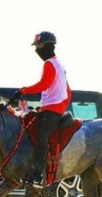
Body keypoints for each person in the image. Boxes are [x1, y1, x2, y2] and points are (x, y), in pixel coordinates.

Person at [11, 31, 72, 188]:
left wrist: (22, 91)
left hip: (52, 110)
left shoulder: (50, 64)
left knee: (41, 138)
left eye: (38, 46)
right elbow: (68, 92)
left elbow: (44, 84)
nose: (36, 50)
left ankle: (38, 175)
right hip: (51, 108)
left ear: (47, 46)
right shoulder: (60, 65)